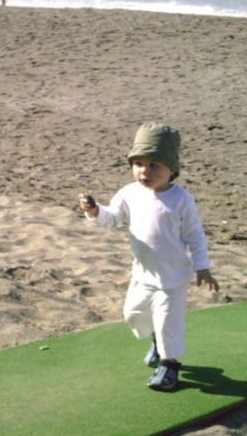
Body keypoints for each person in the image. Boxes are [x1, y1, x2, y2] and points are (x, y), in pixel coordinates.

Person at [78, 123, 219, 392]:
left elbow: (195, 234)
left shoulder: (181, 199)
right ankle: (157, 341)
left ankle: (169, 366)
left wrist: (202, 266)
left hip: (172, 277)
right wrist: (96, 211)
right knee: (133, 314)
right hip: (142, 274)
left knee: (168, 321)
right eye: (139, 163)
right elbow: (113, 220)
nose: (145, 171)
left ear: (171, 169)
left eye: (154, 165)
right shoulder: (129, 194)